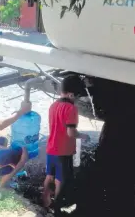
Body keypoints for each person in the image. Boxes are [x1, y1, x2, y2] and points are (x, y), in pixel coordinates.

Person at [42, 75, 86, 216]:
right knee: (60, 179)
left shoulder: (53, 105)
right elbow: (71, 132)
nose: (77, 100)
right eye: (77, 96)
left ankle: (45, 200)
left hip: (51, 148)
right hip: (63, 151)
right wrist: (83, 136)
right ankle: (58, 207)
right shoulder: (71, 109)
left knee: (49, 175)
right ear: (72, 94)